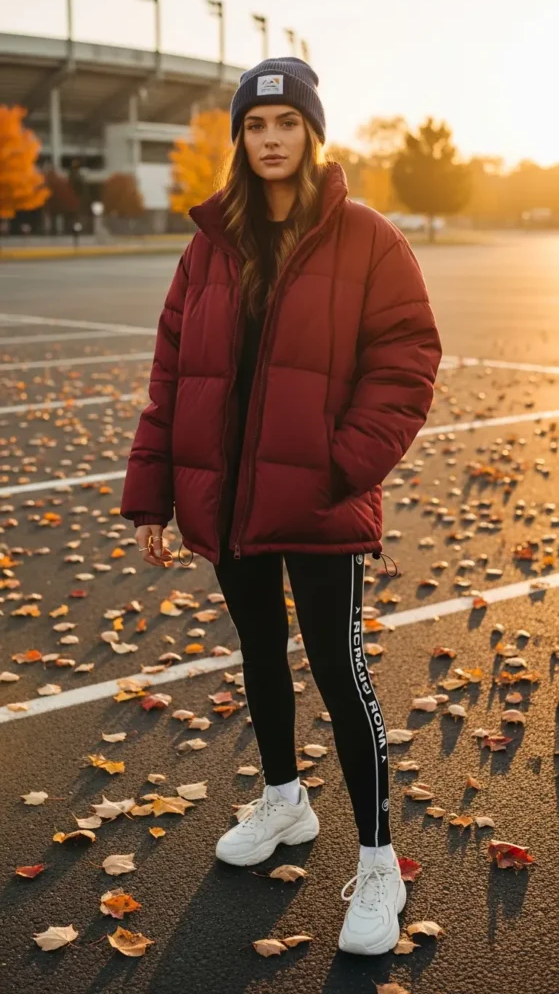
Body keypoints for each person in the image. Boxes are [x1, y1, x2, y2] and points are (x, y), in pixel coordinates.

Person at [121, 56, 442, 956]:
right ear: (239, 140)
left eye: (285, 125)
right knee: (259, 654)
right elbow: (172, 374)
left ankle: (377, 863)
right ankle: (282, 801)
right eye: (255, 127)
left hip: (316, 500)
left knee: (341, 675)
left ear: (311, 134)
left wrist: (341, 468)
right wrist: (153, 492)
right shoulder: (209, 245)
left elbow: (406, 361)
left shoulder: (366, 237)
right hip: (226, 500)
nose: (269, 140)